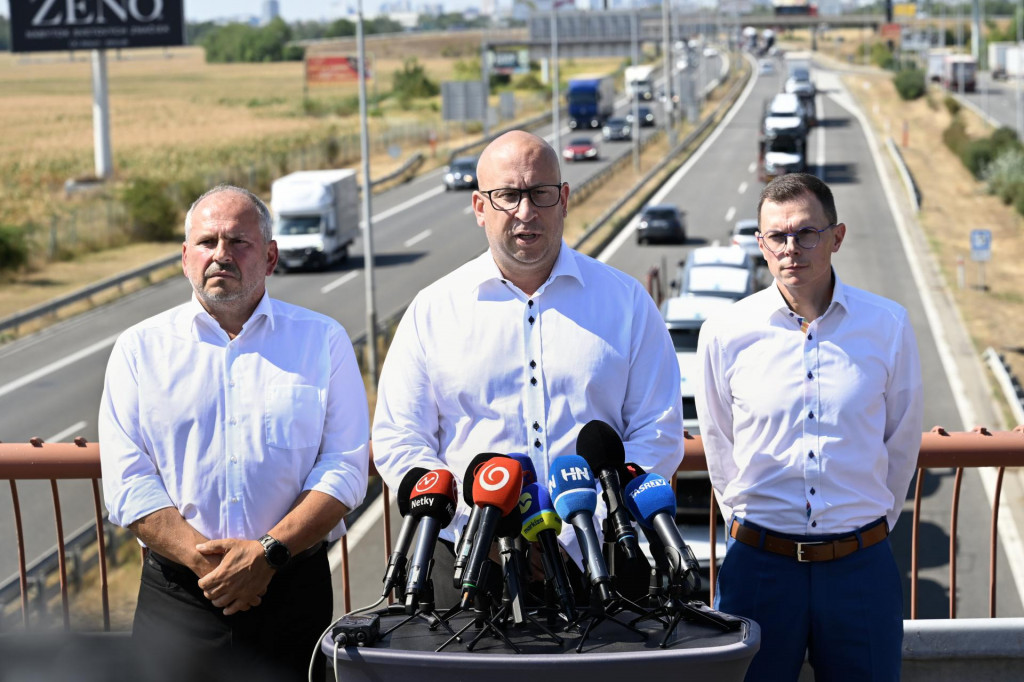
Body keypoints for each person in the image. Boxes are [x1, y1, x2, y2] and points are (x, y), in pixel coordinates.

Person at [372, 130, 684, 607]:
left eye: (540, 193)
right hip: (469, 568)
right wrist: (482, 531)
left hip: (601, 559)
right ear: (480, 207)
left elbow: (657, 431)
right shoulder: (432, 311)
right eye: (508, 196)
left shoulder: (627, 304)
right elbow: (399, 439)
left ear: (563, 200)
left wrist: (583, 522)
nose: (525, 211)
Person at [98, 185, 369, 680]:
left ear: (270, 256)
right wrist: (211, 568)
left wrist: (267, 555)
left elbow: (345, 467)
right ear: (185, 258)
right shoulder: (139, 350)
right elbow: (127, 481)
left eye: (238, 242)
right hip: (177, 598)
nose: (220, 254)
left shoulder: (322, 340)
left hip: (292, 589)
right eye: (207, 242)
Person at [695, 173, 923, 681]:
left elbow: (902, 440)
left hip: (859, 568)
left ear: (836, 237)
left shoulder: (888, 326)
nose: (790, 248)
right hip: (758, 567)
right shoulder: (725, 333)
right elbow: (719, 444)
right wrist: (752, 524)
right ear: (761, 244)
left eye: (806, 233)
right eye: (777, 236)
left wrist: (868, 527)